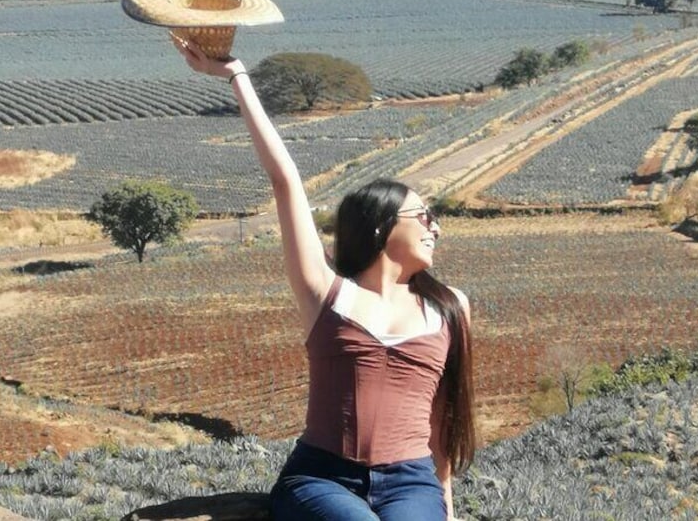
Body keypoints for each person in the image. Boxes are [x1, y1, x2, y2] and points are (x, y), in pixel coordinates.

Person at [173, 36, 475, 521]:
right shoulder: (326, 293)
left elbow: (443, 418)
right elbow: (285, 180)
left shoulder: (449, 307)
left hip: (411, 480)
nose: (435, 225)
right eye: (424, 215)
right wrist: (235, 75)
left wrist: (448, 508)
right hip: (322, 477)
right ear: (381, 227)